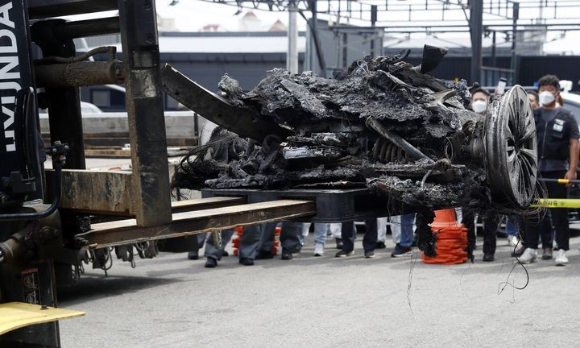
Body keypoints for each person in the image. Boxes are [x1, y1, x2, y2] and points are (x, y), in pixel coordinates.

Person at [520, 75, 579, 265]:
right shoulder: (532, 115)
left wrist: (572, 170)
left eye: (549, 89)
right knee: (532, 211)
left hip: (558, 171)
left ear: (557, 92)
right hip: (534, 171)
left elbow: (573, 144)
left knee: (559, 213)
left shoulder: (566, 116)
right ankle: (530, 248)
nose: (545, 92)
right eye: (542, 89)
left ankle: (561, 250)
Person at [466, 88, 501, 261]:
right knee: (467, 216)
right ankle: (468, 249)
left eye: (482, 99)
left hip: (490, 175)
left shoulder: (494, 121)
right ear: (471, 102)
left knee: (490, 217)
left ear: (488, 101)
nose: (478, 102)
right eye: (476, 99)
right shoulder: (464, 121)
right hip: (469, 176)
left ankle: (489, 251)